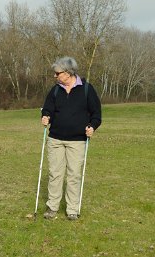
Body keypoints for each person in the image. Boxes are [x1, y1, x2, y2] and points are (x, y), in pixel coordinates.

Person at [41, 56, 101, 220]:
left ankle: (72, 209)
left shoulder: (87, 89)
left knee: (74, 175)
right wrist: (46, 117)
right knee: (55, 173)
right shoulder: (55, 90)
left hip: (78, 141)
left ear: (67, 73)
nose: (55, 76)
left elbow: (96, 114)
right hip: (55, 139)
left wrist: (92, 127)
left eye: (57, 73)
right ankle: (52, 207)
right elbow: (47, 109)